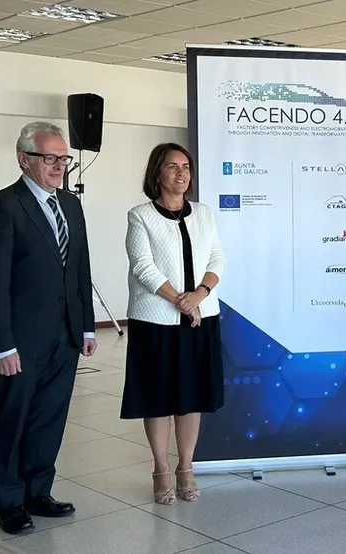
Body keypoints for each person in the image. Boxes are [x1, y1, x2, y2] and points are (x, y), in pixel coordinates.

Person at [0, 121, 97, 535]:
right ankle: (8, 502)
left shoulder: (72, 205)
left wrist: (87, 328)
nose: (59, 165)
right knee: (13, 419)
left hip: (65, 337)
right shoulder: (4, 205)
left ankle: (37, 492)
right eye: (50, 158)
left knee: (49, 418)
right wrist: (1, 345)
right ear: (24, 159)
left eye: (63, 158)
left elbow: (80, 268)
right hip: (21, 340)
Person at [121, 143, 226, 504]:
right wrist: (179, 300)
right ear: (157, 174)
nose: (181, 174)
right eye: (172, 167)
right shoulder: (140, 216)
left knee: (190, 396)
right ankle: (161, 468)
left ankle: (186, 467)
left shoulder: (204, 213)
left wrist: (198, 295)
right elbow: (143, 265)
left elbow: (217, 257)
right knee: (158, 397)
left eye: (186, 167)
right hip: (156, 320)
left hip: (200, 317)